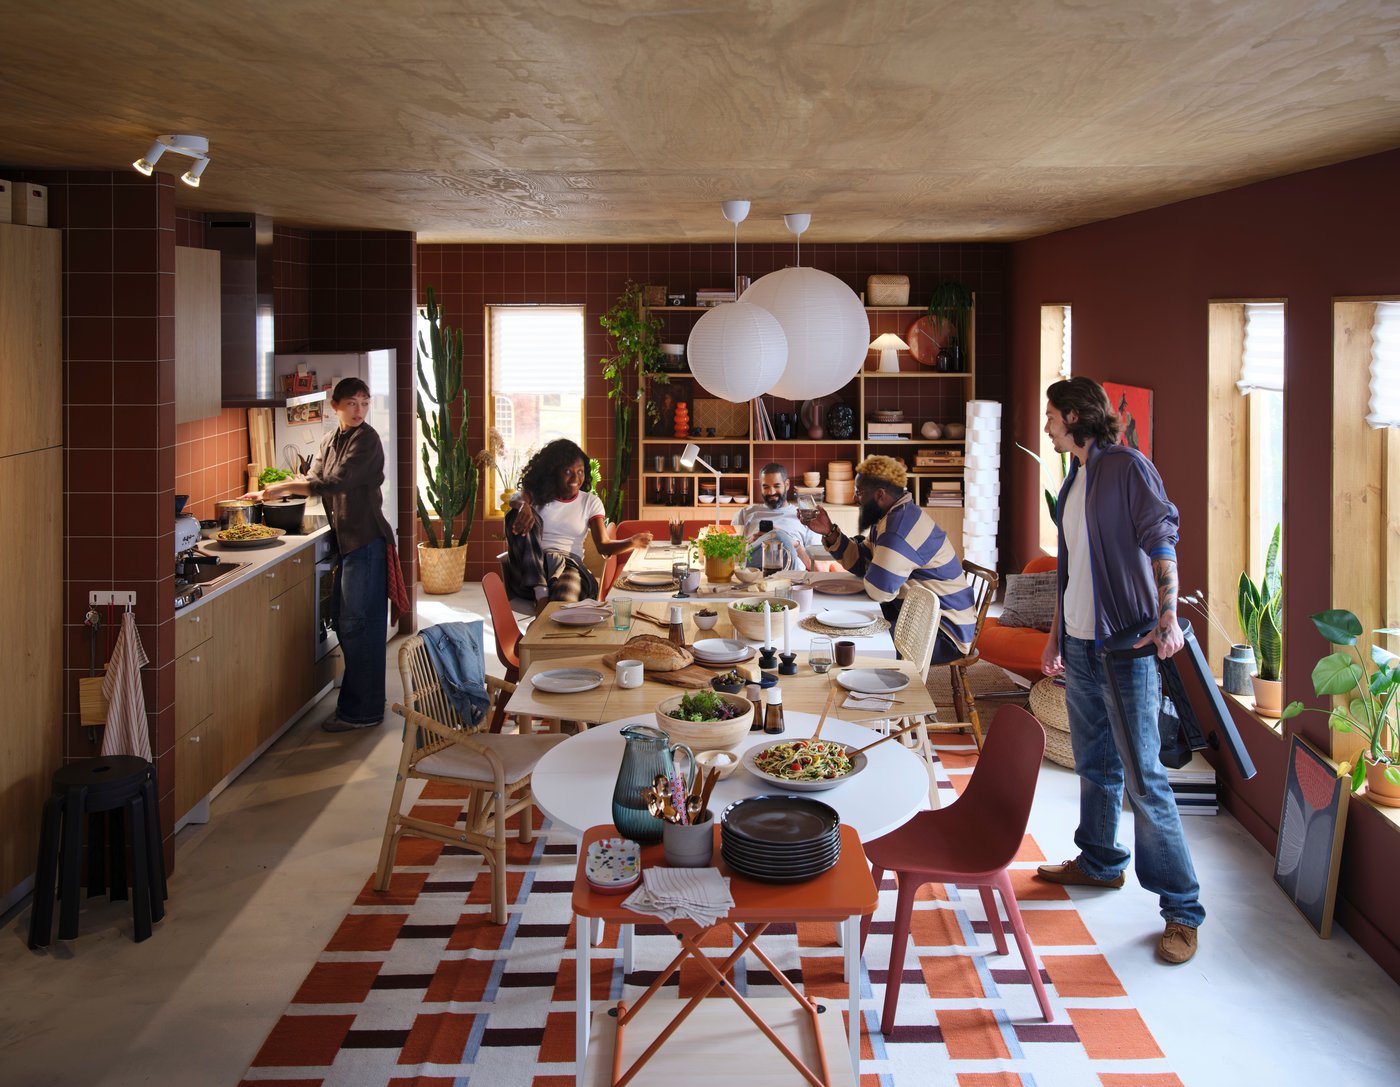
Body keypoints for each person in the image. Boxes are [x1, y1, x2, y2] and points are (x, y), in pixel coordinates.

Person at [1034, 376, 1203, 965]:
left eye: (1050, 415)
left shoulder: (1128, 468)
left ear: (1074, 416)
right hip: (1080, 645)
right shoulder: (1075, 476)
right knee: (1095, 763)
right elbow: (1073, 567)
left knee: (1144, 779)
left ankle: (1182, 910)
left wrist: (1168, 615)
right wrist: (1056, 635)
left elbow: (1162, 539)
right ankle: (1100, 862)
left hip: (1127, 646)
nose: (1046, 426)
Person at [246, 377, 393, 732]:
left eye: (364, 403)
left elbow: (334, 483)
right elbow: (314, 476)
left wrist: (280, 487)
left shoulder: (368, 440)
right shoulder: (330, 440)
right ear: (335, 406)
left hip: (366, 542)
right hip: (348, 543)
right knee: (347, 623)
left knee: (360, 626)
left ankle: (363, 713)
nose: (359, 410)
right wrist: (272, 493)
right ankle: (362, 706)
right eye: (352, 403)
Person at [798, 455, 975, 664]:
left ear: (880, 495)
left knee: (858, 644)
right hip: (916, 616)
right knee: (848, 629)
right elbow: (862, 562)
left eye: (859, 493)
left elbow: (879, 591)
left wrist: (874, 571)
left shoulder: (898, 529)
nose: (856, 498)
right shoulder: (892, 516)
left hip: (943, 632)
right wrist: (829, 531)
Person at [507, 438, 652, 609]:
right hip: (530, 571)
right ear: (553, 472)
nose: (576, 478)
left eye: (580, 471)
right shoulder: (535, 495)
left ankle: (543, 612)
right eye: (568, 471)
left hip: (568, 567)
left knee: (562, 601)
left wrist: (632, 542)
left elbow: (603, 546)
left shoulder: (590, 502)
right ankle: (541, 590)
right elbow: (515, 498)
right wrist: (524, 506)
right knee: (515, 513)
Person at [731, 463, 821, 570]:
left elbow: (817, 568)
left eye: (776, 486)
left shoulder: (806, 516)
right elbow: (730, 558)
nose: (771, 492)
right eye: (766, 487)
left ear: (787, 485)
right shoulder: (744, 514)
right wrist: (750, 543)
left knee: (778, 535)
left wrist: (794, 545)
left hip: (791, 575)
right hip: (754, 573)